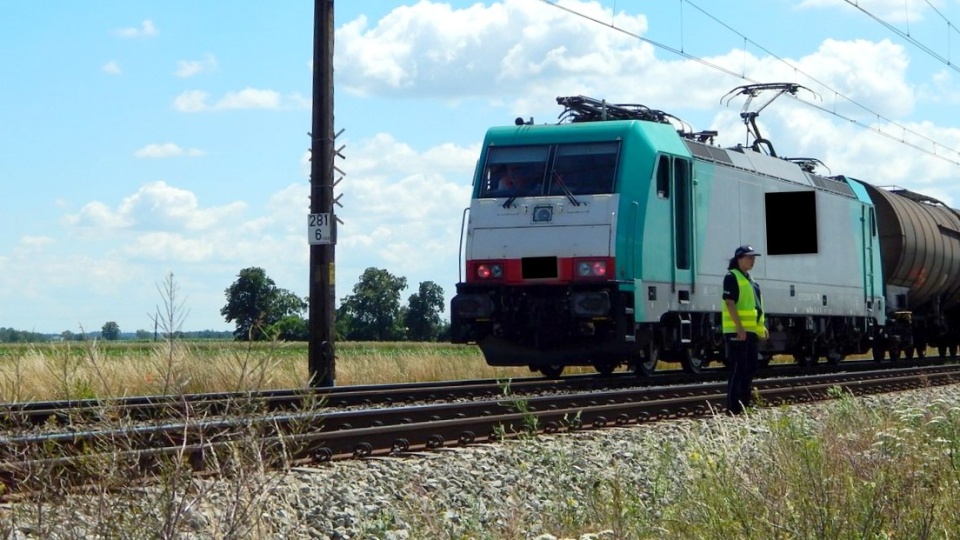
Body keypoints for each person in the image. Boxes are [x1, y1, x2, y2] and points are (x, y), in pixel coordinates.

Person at [721, 244, 767, 415]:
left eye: (754, 258)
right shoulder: (731, 277)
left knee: (750, 367)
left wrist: (761, 328)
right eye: (749, 257)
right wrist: (739, 327)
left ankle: (744, 405)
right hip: (737, 332)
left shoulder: (751, 281)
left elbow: (757, 307)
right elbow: (729, 302)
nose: (752, 261)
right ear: (739, 258)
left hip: (750, 332)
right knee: (737, 368)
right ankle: (733, 408)